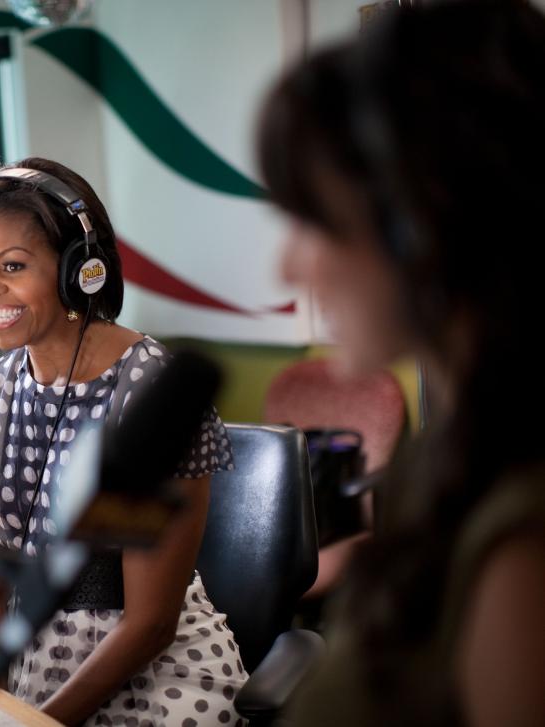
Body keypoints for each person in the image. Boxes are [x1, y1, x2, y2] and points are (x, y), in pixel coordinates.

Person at [255, 2, 545, 724]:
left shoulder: (523, 539)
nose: (290, 266)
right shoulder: (447, 450)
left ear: (423, 228)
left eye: (315, 222)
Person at [0, 158, 246, 726]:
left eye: (12, 266)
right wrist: (0, 709)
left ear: (78, 270)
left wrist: (44, 724)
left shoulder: (149, 392)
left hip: (157, 666)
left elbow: (152, 623)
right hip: (33, 663)